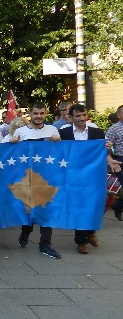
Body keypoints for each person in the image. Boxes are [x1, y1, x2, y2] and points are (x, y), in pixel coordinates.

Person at [60, 104, 120, 253]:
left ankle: (91, 231)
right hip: (73, 176)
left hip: (93, 176)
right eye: (78, 116)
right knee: (77, 206)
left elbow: (104, 151)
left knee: (94, 204)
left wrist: (110, 159)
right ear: (71, 117)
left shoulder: (97, 132)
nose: (81, 118)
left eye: (83, 115)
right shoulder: (64, 133)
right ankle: (81, 241)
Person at [10, 102, 62, 259]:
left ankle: (45, 244)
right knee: (29, 209)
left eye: (41, 113)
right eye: (35, 113)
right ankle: (26, 231)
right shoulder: (21, 131)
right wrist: (13, 143)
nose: (39, 116)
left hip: (47, 178)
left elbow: (59, 152)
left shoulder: (52, 130)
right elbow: (12, 153)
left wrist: (58, 141)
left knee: (46, 209)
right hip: (27, 178)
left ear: (45, 114)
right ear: (30, 115)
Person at [106, 105, 123, 220]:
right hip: (120, 160)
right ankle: (117, 206)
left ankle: (117, 205)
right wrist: (110, 160)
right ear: (118, 115)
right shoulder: (114, 129)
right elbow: (106, 146)